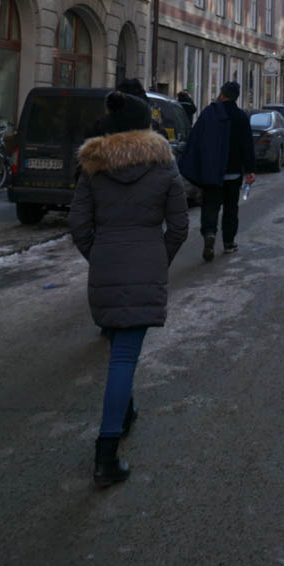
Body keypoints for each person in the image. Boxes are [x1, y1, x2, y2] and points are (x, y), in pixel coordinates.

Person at [69, 89, 189, 489]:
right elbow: (179, 225)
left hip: (107, 262)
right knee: (123, 356)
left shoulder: (93, 166)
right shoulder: (164, 165)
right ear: (145, 126)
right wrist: (158, 258)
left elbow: (79, 226)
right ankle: (106, 454)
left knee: (121, 345)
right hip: (145, 259)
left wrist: (100, 256)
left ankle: (127, 409)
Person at [178, 80, 255, 261]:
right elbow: (247, 146)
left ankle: (210, 234)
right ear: (236, 97)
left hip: (212, 172)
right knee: (230, 209)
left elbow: (196, 139)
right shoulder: (241, 117)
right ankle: (229, 243)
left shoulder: (209, 113)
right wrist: (250, 170)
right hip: (233, 173)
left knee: (210, 206)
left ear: (222, 94)